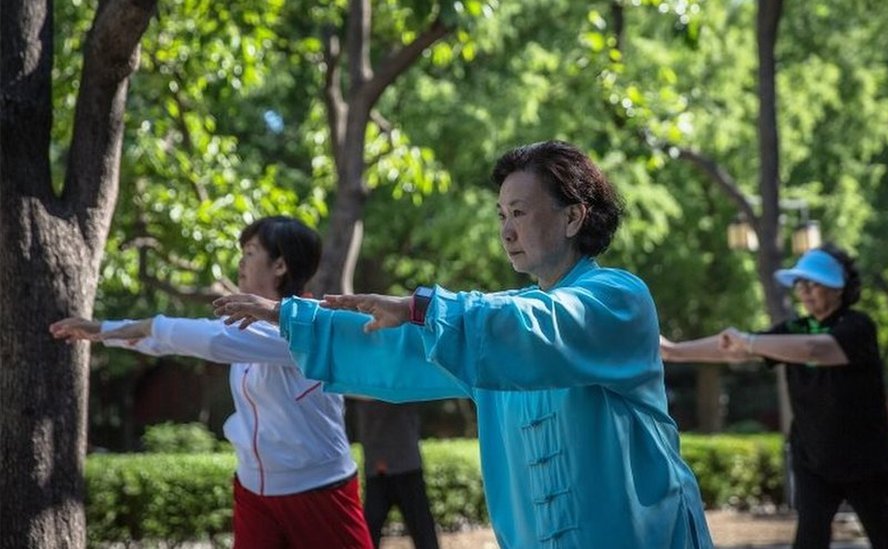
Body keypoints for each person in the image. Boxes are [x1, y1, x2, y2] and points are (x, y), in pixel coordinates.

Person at [213, 141, 714, 548]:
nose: (507, 231)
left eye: (519, 212)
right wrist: (289, 315)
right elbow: (402, 347)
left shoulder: (619, 299)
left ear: (573, 217)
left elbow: (533, 329)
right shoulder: (487, 324)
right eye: (501, 215)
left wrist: (419, 307)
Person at [50, 216, 373, 549]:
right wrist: (103, 331)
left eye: (250, 252)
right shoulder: (246, 324)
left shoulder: (306, 325)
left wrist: (127, 327)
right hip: (253, 491)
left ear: (279, 265)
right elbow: (177, 340)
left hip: (320, 489)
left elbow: (210, 339)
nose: (241, 263)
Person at [659, 244, 888, 549]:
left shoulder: (857, 326)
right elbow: (735, 348)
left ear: (839, 288)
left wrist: (751, 342)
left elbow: (815, 349)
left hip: (863, 458)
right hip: (812, 456)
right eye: (799, 283)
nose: (804, 291)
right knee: (809, 539)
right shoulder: (796, 327)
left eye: (813, 283)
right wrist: (673, 351)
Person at [356, 400, 439, 549]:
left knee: (423, 532)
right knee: (368, 532)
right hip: (378, 468)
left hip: (406, 465)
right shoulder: (361, 388)